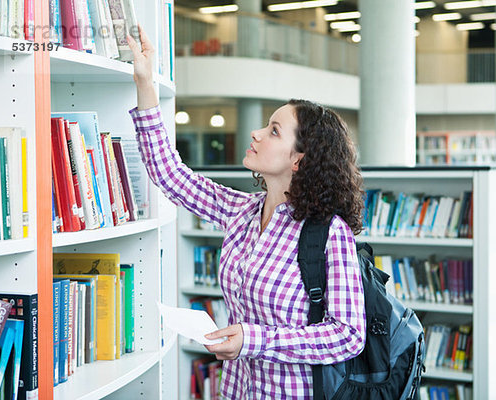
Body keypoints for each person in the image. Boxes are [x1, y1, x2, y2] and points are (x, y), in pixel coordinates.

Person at [126, 25, 366, 399]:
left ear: (299, 159)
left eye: (272, 131)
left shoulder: (328, 233)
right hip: (237, 390)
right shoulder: (241, 211)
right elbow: (169, 174)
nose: (254, 133)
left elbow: (348, 337)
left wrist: (254, 340)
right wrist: (145, 81)